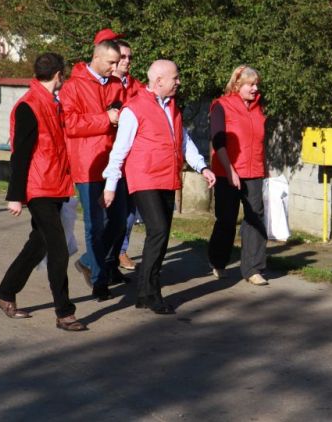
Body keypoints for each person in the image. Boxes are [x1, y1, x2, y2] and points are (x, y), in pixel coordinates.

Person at [102, 60, 216, 314]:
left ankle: (143, 292)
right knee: (159, 229)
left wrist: (202, 167)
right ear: (159, 81)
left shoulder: (173, 107)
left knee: (161, 236)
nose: (179, 82)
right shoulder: (134, 108)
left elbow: (183, 140)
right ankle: (153, 293)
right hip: (143, 177)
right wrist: (110, 185)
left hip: (167, 176)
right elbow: (119, 150)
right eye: (175, 78)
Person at [0, 53, 87, 332]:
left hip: (55, 184)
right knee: (57, 248)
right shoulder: (29, 106)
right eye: (63, 75)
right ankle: (65, 312)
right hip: (39, 187)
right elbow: (20, 155)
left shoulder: (53, 104)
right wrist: (15, 195)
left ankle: (4, 293)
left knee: (39, 243)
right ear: (58, 75)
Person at [61, 32, 129, 301]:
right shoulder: (73, 86)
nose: (116, 68)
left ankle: (89, 261)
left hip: (114, 163)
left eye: (118, 62)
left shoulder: (116, 85)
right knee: (95, 225)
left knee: (121, 219)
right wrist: (105, 119)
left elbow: (124, 115)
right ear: (97, 57)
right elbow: (70, 125)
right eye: (112, 62)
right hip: (87, 164)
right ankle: (99, 280)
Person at [207, 65, 269, 286]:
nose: (255, 88)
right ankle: (218, 261)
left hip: (254, 171)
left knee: (255, 219)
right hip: (227, 172)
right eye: (250, 84)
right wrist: (230, 170)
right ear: (237, 85)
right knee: (226, 219)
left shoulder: (258, 107)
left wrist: (265, 168)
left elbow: (260, 141)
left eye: (256, 84)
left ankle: (253, 269)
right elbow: (218, 141)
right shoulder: (221, 106)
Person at [109, 39, 144, 271]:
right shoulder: (105, 84)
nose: (127, 61)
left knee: (131, 208)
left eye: (130, 57)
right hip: (108, 153)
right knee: (111, 210)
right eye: (123, 57)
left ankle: (121, 250)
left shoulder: (137, 86)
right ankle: (103, 257)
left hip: (133, 155)